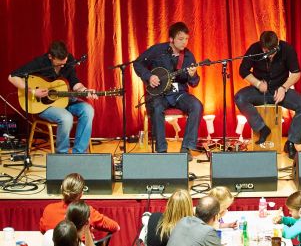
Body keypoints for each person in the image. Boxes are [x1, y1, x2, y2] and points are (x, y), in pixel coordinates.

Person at [235, 31, 301, 159]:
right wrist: (258, 84)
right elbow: (243, 70)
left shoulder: (287, 49)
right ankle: (261, 128)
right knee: (240, 97)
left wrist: (284, 87)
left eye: (273, 52)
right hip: (260, 91)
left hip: (280, 90)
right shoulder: (254, 49)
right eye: (266, 52)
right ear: (262, 47)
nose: (270, 56)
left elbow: (296, 73)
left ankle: (291, 143)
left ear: (277, 44)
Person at [8, 40, 96, 154]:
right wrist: (33, 91)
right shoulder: (40, 62)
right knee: (66, 118)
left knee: (88, 110)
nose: (63, 65)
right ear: (50, 56)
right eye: (60, 63)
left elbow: (75, 82)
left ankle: (79, 153)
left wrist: (84, 90)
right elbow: (12, 77)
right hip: (43, 104)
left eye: (64, 62)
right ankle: (62, 155)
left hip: (65, 100)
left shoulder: (69, 61)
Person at [134, 22, 202, 161]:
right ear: (171, 39)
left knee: (196, 105)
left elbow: (194, 83)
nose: (184, 42)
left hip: (179, 94)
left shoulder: (188, 56)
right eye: (180, 39)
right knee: (157, 107)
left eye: (186, 39)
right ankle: (162, 151)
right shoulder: (157, 51)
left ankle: (186, 148)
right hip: (160, 94)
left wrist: (193, 75)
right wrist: (149, 76)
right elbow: (138, 63)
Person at [39, 173, 120, 233]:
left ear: (61, 188)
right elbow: (116, 227)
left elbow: (43, 231)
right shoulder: (86, 211)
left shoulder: (48, 209)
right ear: (81, 194)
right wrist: (90, 230)